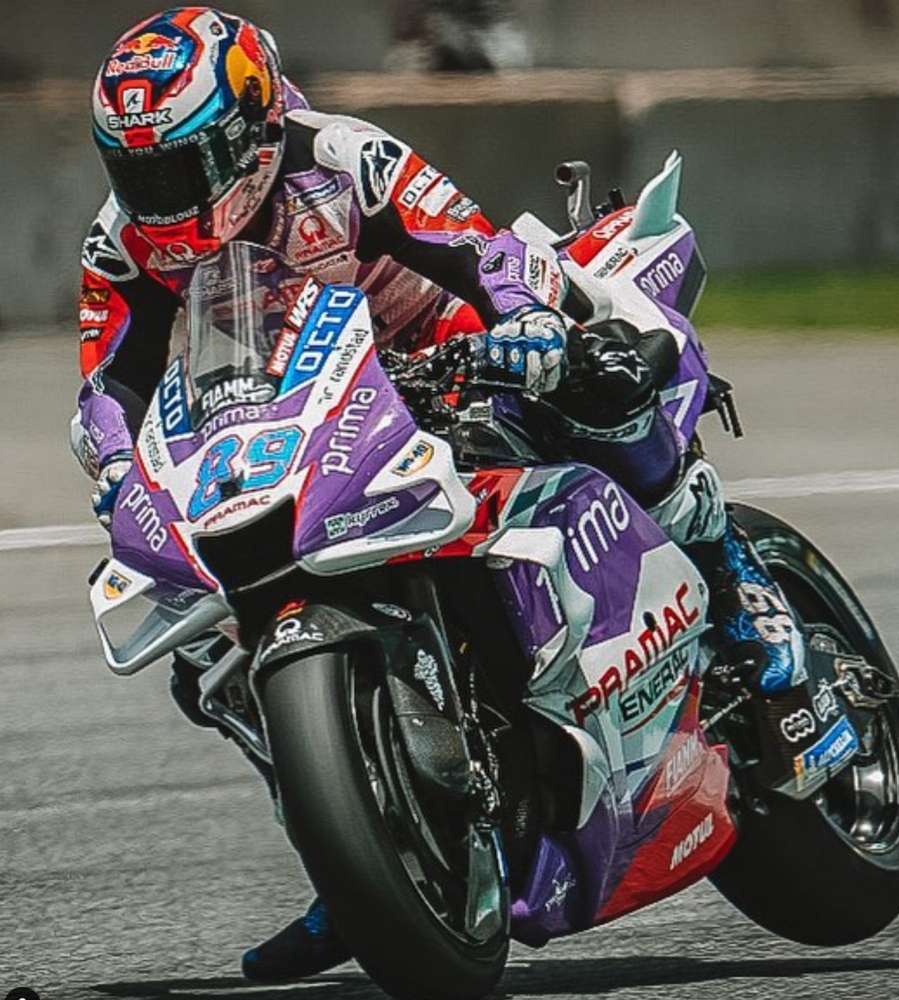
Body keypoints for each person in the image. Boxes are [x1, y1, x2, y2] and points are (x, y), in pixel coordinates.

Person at [74, 6, 804, 982]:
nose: (164, 195)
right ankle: (361, 856)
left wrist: (526, 327)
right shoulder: (126, 241)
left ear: (251, 125)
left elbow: (476, 248)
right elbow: (110, 385)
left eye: (184, 166)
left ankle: (733, 576)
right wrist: (124, 475)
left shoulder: (343, 157)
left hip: (449, 355)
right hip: (298, 416)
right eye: (141, 172)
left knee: (598, 383)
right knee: (203, 647)